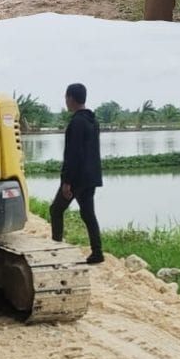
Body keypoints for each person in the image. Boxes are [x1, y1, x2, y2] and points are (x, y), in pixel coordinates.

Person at [49, 83, 103, 264]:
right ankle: (97, 252)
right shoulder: (92, 121)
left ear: (70, 98)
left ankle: (56, 249)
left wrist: (67, 182)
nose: (65, 101)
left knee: (56, 210)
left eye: (66, 98)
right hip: (91, 177)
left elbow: (72, 155)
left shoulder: (76, 123)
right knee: (88, 214)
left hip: (77, 179)